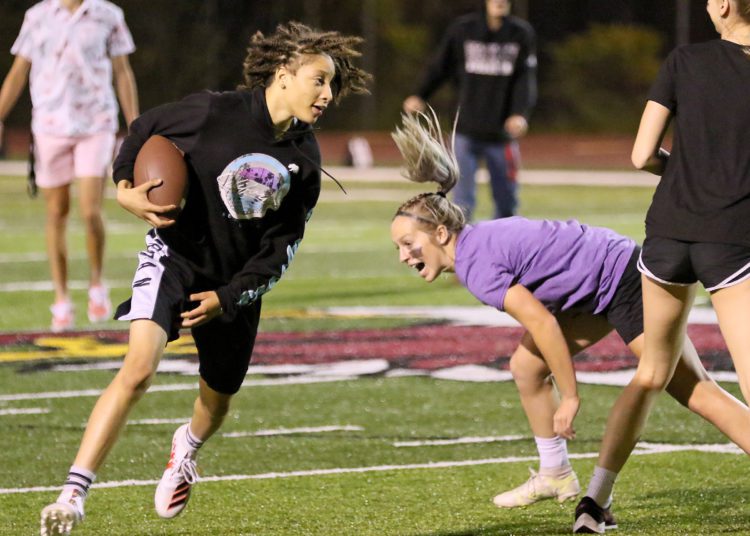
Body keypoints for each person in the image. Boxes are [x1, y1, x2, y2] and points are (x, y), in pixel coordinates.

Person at [38, 21, 370, 536]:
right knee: (138, 368)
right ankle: (73, 494)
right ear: (283, 74)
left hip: (233, 285)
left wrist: (229, 296)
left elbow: (280, 252)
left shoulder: (305, 160)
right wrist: (125, 186)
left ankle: (186, 448)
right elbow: (144, 127)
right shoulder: (214, 111)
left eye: (333, 86)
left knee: (216, 404)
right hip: (175, 258)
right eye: (319, 80)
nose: (328, 95)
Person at [388, 110, 750, 530]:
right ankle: (555, 472)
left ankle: (570, 480)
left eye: (408, 243)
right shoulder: (475, 245)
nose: (404, 256)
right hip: (597, 286)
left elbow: (541, 323)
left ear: (440, 234)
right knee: (526, 366)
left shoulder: (476, 268)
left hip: (622, 282)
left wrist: (571, 396)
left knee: (695, 391)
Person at [573, 1, 750, 532]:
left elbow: (642, 155)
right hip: (732, 239)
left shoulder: (683, 59)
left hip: (667, 234)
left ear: (721, 5)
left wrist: (684, 177)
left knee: (651, 372)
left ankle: (593, 503)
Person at [0, 0, 139, 332]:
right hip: (49, 125)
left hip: (96, 122)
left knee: (91, 210)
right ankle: (61, 298)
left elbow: (122, 71)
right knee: (56, 213)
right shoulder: (37, 17)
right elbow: (19, 71)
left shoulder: (108, 14)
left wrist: (135, 123)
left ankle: (96, 283)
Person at [402, 0, 536, 221]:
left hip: (502, 135)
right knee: (462, 203)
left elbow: (525, 79)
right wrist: (420, 94)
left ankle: (505, 252)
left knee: (507, 203)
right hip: (464, 130)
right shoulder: (462, 29)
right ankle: (464, 253)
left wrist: (520, 113)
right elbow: (440, 66)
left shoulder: (520, 33)